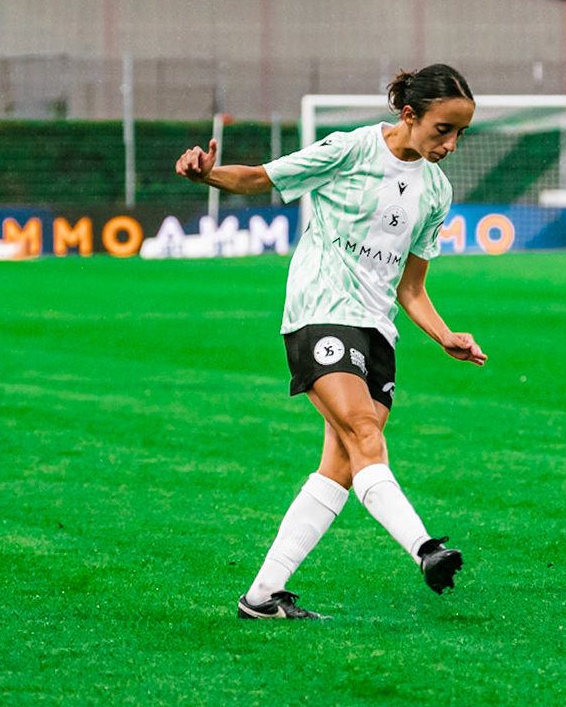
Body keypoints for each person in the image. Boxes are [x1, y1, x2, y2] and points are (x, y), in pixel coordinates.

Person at [175, 64, 485, 620]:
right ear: (409, 115)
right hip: (319, 311)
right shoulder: (349, 149)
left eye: (460, 132)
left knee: (341, 464)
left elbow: (411, 287)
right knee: (365, 433)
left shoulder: (436, 192)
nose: (451, 143)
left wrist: (445, 336)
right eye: (443, 129)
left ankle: (262, 596)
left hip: (376, 330)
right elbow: (258, 179)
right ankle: (425, 549)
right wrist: (206, 176)